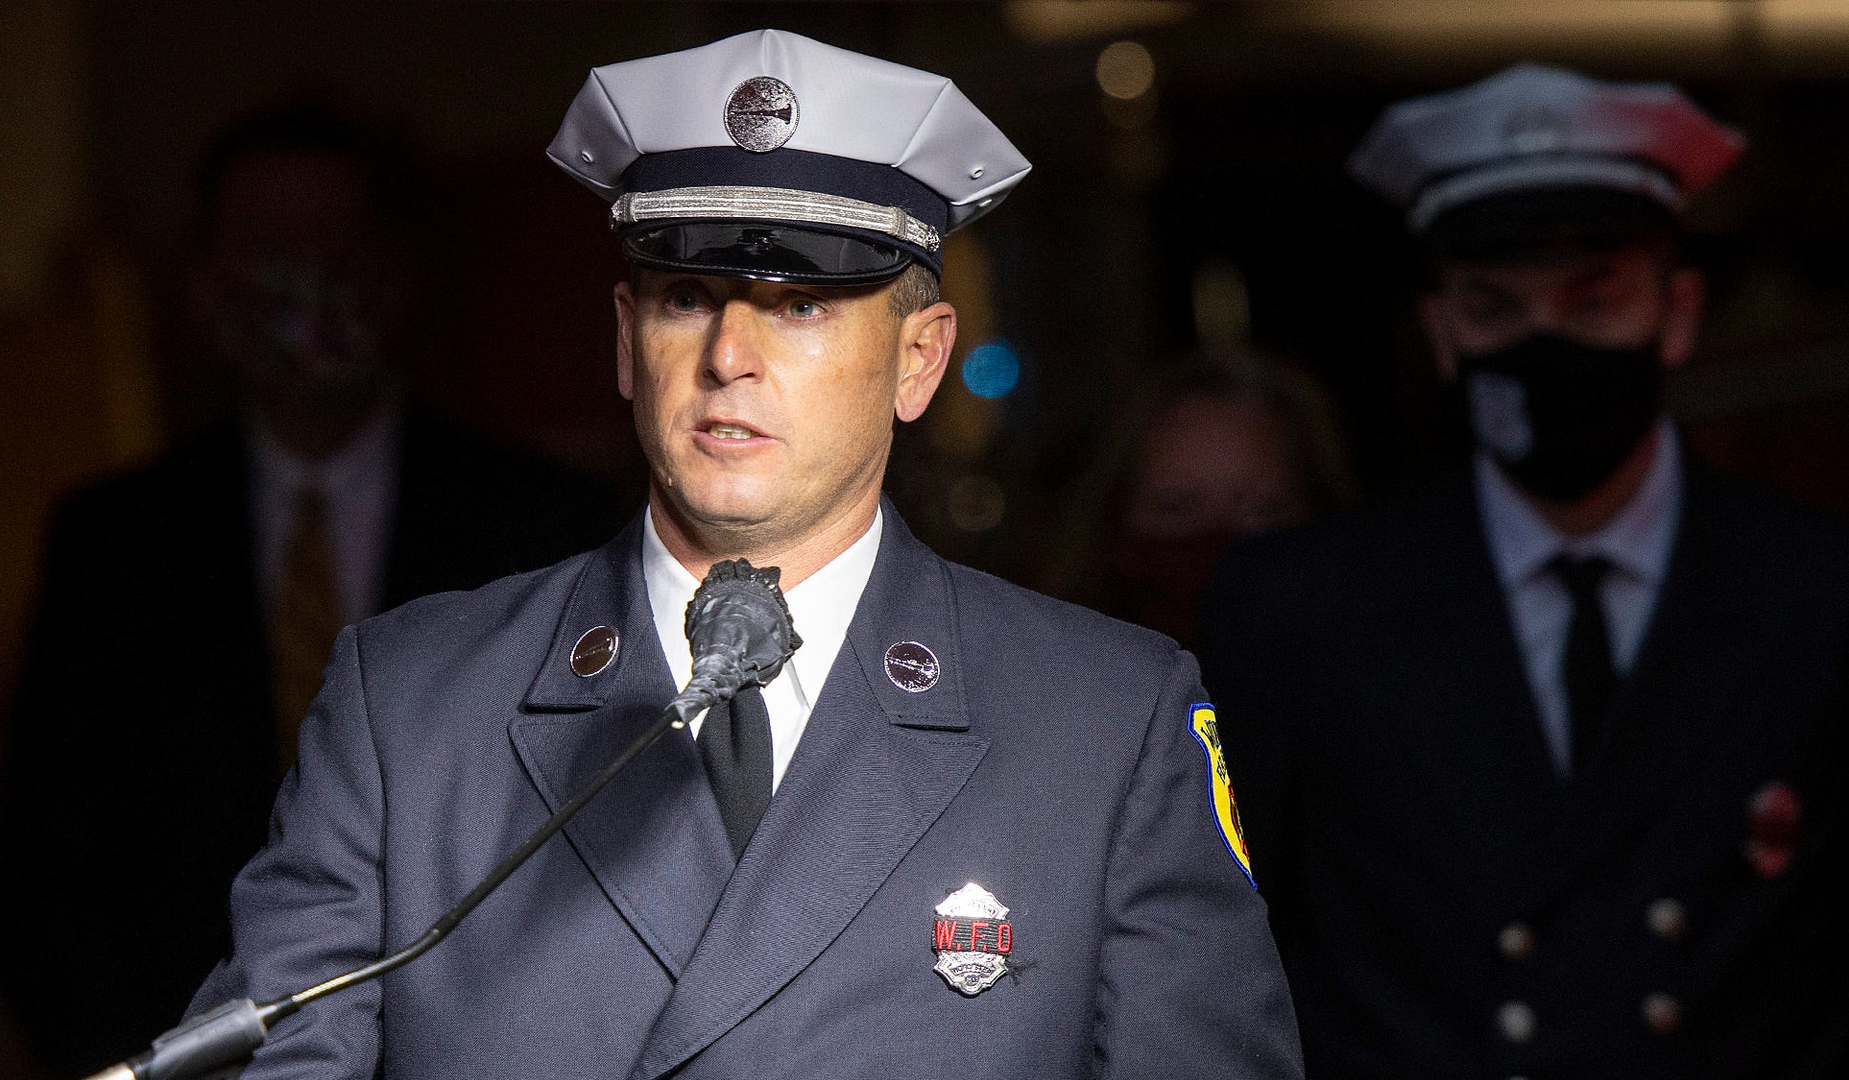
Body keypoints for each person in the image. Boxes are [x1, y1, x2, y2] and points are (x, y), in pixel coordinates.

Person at [180, 30, 1302, 1080]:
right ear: (627, 342)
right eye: (686, 297)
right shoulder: (412, 708)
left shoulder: (1104, 724)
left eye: (800, 305)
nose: (729, 355)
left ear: (919, 361)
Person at [1203, 63, 1849, 1079]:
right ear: (1441, 333)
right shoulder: (1302, 612)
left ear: (1677, 315)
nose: (1546, 345)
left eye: (1593, 303)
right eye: (1497, 307)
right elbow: (1223, 968)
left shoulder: (1815, 595)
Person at [0, 102, 622, 1076]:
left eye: (333, 244)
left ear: (395, 272)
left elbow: (594, 853)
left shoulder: (543, 526)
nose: (304, 284)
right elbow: (47, 883)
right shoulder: (114, 542)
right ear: (205, 286)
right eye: (264, 246)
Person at [1042, 349, 1355, 650]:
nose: (1215, 542)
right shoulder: (1053, 686)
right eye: (1176, 507)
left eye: (1260, 510)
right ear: (1114, 516)